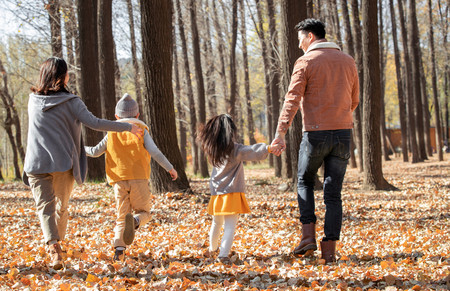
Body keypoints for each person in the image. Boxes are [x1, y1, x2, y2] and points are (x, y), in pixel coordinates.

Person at [23, 57, 143, 269]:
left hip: (35, 163)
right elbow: (95, 123)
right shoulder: (72, 102)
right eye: (67, 72)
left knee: (45, 207)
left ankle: (54, 246)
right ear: (62, 76)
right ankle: (55, 246)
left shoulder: (33, 100)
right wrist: (127, 127)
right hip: (62, 163)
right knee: (60, 208)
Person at [270, 19, 359, 263]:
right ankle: (329, 251)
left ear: (310, 36)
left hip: (315, 133)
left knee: (304, 180)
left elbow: (292, 100)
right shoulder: (348, 61)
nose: (299, 43)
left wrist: (280, 134)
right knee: (333, 193)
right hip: (343, 133)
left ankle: (307, 236)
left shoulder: (306, 61)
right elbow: (354, 100)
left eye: (300, 38)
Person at [85, 94, 178, 261]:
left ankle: (119, 252)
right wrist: (170, 168)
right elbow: (154, 151)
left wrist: (77, 148)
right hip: (139, 178)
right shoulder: (141, 131)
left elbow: (94, 152)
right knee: (145, 212)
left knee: (121, 216)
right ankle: (135, 221)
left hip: (118, 180)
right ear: (137, 115)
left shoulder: (111, 132)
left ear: (116, 116)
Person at [197, 114, 278, 263]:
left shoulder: (213, 150)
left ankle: (212, 249)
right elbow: (251, 151)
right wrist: (268, 148)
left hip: (217, 194)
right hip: (231, 193)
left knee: (216, 223)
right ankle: (222, 255)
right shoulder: (234, 149)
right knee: (229, 225)